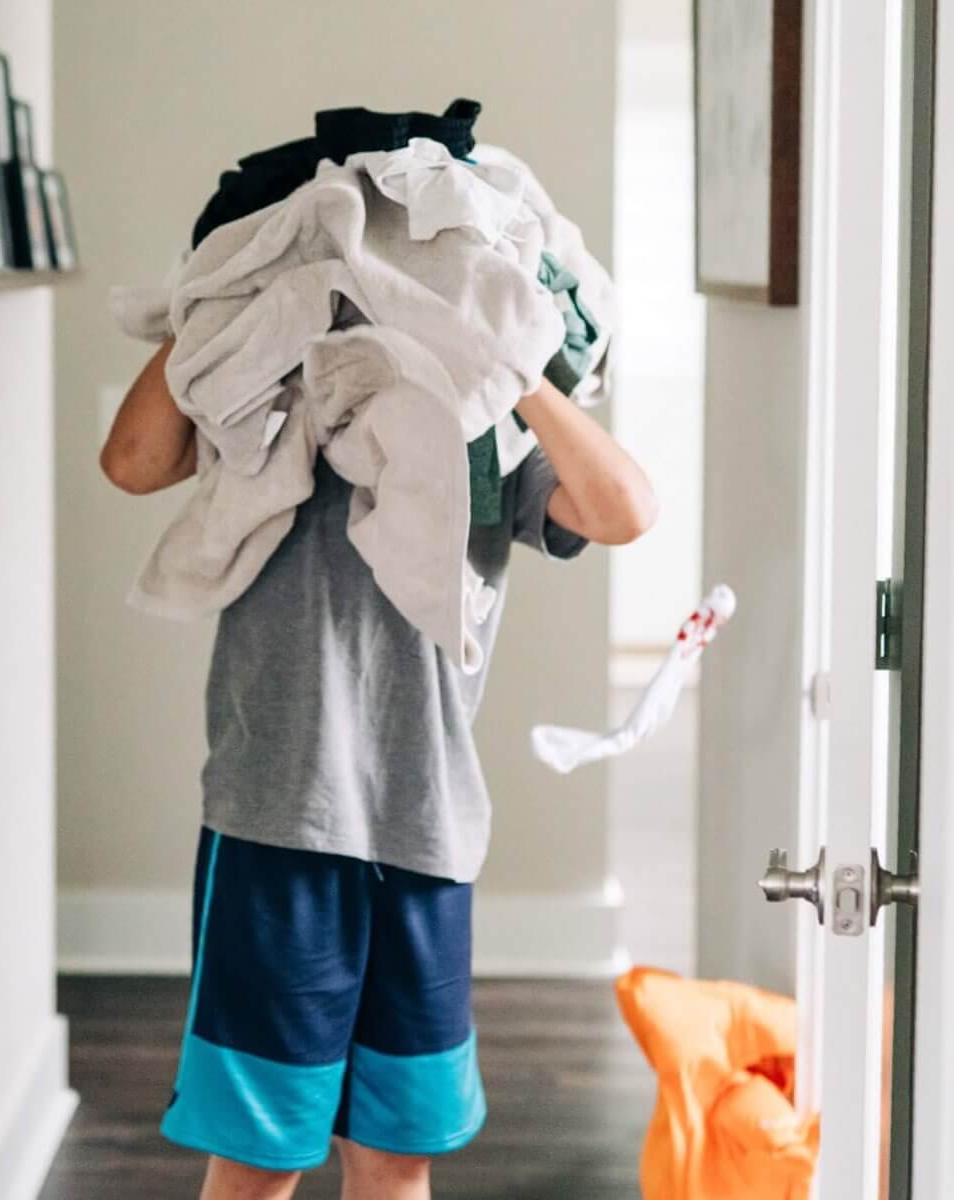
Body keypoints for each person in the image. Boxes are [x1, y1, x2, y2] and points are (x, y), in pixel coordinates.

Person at [100, 335, 657, 1200]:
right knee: (258, 1162)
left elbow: (625, 508)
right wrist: (229, 291)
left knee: (396, 1158)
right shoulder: (270, 379)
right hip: (277, 819)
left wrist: (506, 360)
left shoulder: (479, 426)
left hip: (425, 823)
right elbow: (131, 463)